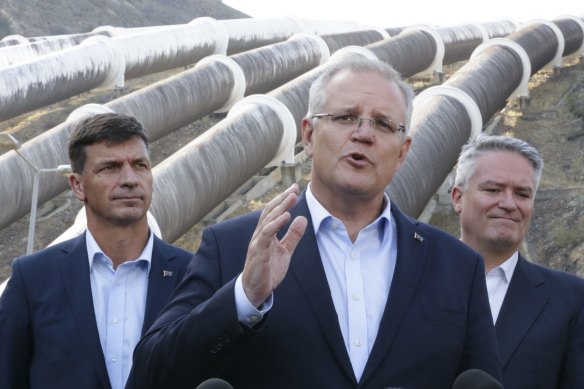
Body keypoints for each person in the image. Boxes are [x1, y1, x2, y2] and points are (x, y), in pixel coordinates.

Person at [130, 55, 501, 388]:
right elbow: (152, 373)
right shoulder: (235, 246)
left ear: (403, 152)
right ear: (308, 135)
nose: (364, 134)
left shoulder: (455, 264)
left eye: (384, 124)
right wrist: (245, 296)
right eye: (344, 117)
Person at [0, 113, 193, 389]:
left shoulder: (193, 275)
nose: (130, 179)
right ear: (78, 185)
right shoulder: (32, 280)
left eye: (140, 165)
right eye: (110, 168)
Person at [451, 134, 584, 388]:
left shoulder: (572, 300)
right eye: (493, 190)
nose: (509, 204)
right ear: (458, 198)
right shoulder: (409, 278)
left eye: (522, 194)